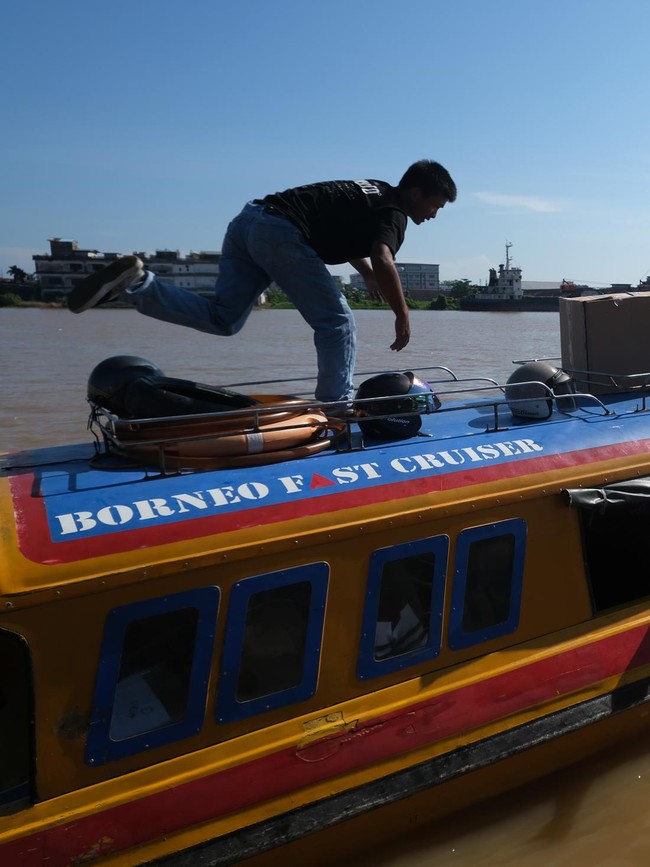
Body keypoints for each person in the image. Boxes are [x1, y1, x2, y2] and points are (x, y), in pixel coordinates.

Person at [68, 160, 457, 404]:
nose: (434, 215)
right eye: (434, 205)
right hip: (281, 232)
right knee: (337, 322)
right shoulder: (395, 212)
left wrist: (369, 275)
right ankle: (335, 409)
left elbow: (352, 237)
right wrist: (402, 316)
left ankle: (138, 283)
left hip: (248, 221)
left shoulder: (374, 191)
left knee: (225, 319)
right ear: (416, 192)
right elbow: (384, 256)